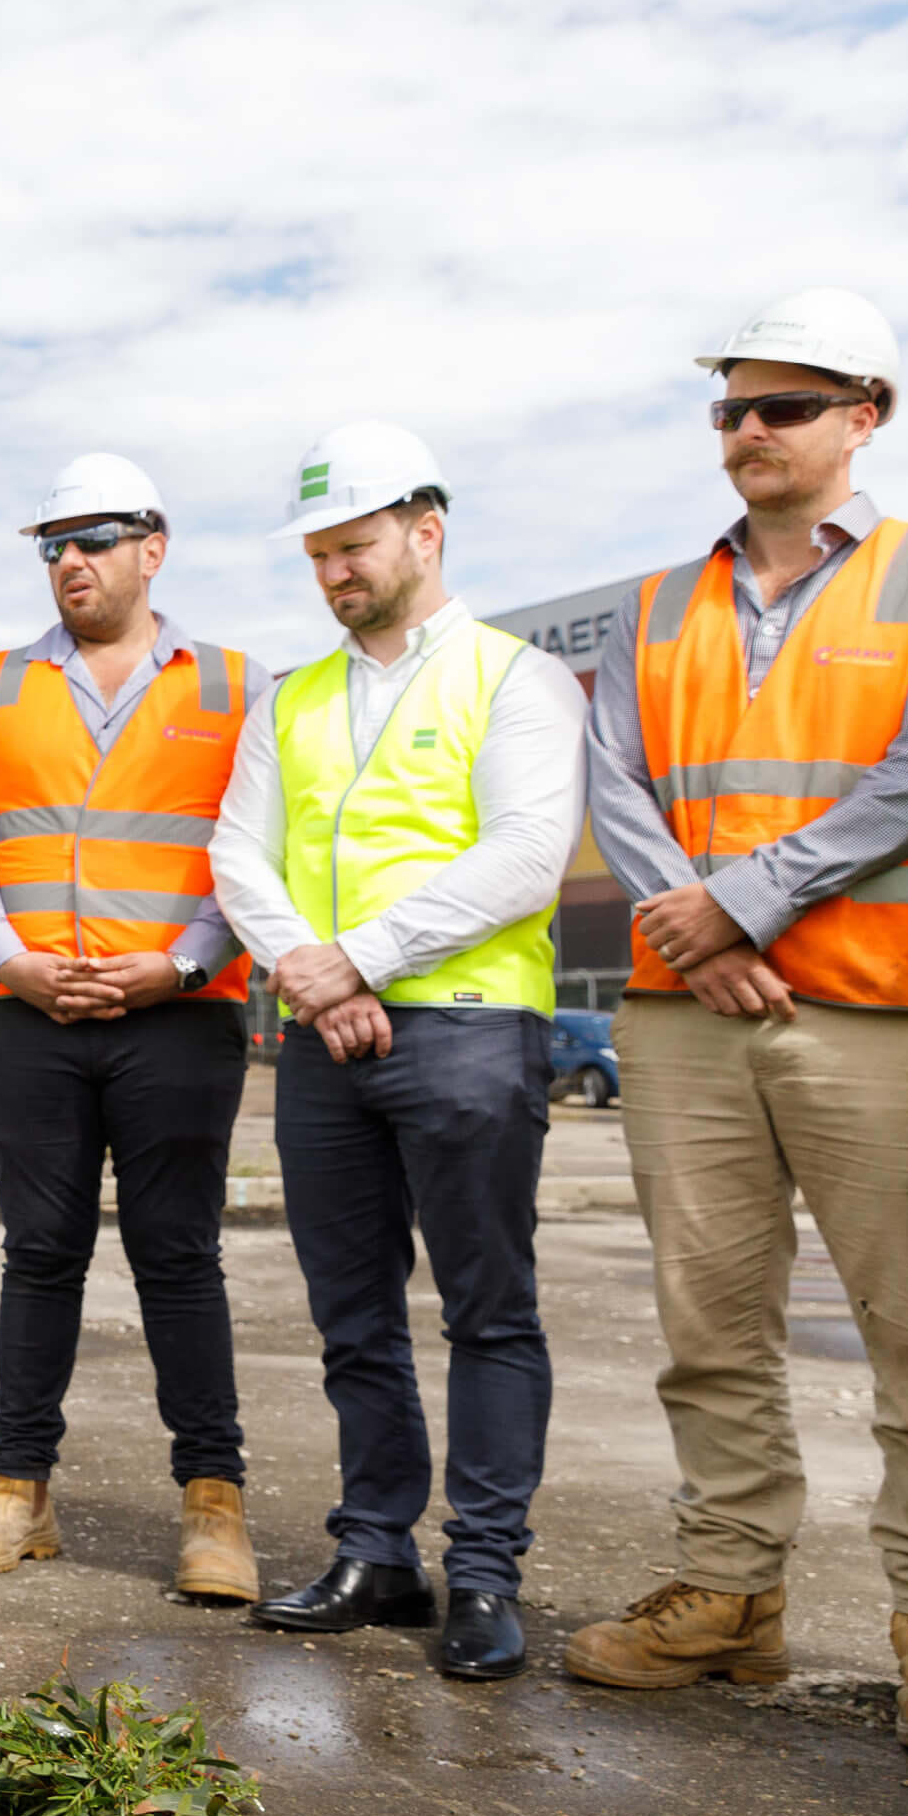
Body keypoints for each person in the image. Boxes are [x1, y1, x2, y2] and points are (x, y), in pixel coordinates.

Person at [564, 289, 908, 1760]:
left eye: (781, 406)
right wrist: (694, 924)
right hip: (693, 1015)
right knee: (707, 1323)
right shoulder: (658, 603)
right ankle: (732, 1598)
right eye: (730, 407)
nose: (747, 431)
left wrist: (749, 904)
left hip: (877, 1007)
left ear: (868, 414)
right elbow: (620, 783)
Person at [209, 422, 583, 1682]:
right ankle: (380, 1550)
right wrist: (320, 978)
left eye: (353, 545)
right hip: (328, 1033)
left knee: (487, 1307)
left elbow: (527, 853)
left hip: (470, 1021)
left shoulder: (513, 678)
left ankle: (483, 1569)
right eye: (317, 553)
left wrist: (357, 954)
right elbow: (238, 856)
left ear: (427, 530)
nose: (332, 572)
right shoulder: (294, 696)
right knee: (352, 1313)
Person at [0, 455, 264, 1601]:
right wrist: (12, 962)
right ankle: (19, 1489)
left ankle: (215, 1504)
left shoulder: (232, 685)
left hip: (180, 1016)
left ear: (152, 548)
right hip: (32, 1017)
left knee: (179, 1257)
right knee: (39, 1255)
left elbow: (255, 854)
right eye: (54, 543)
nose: (71, 560)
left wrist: (179, 962)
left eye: (95, 539)